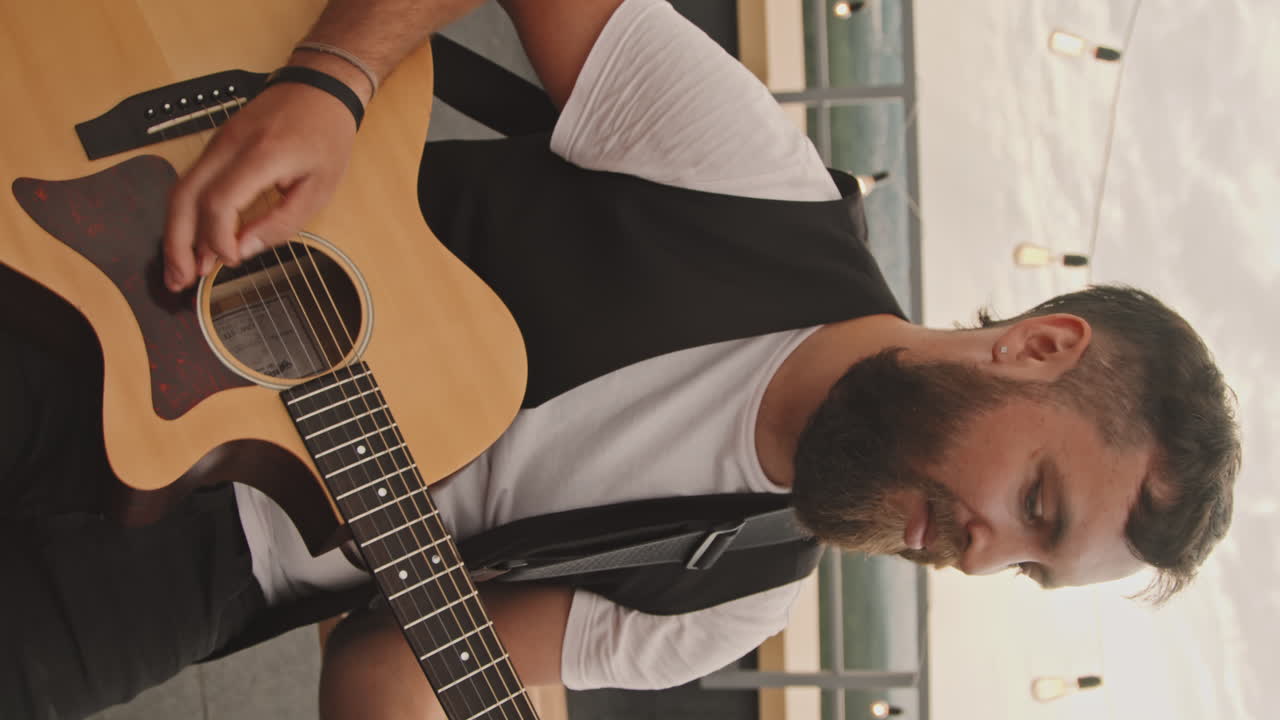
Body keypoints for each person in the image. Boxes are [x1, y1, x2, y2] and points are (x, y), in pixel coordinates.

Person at [1, 0, 1239, 718]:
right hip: (149, 263)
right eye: (1034, 502)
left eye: (1027, 568)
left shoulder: (735, 594)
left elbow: (387, 663)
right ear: (1036, 346)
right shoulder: (753, 187)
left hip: (188, 579)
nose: (981, 556)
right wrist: (334, 80)